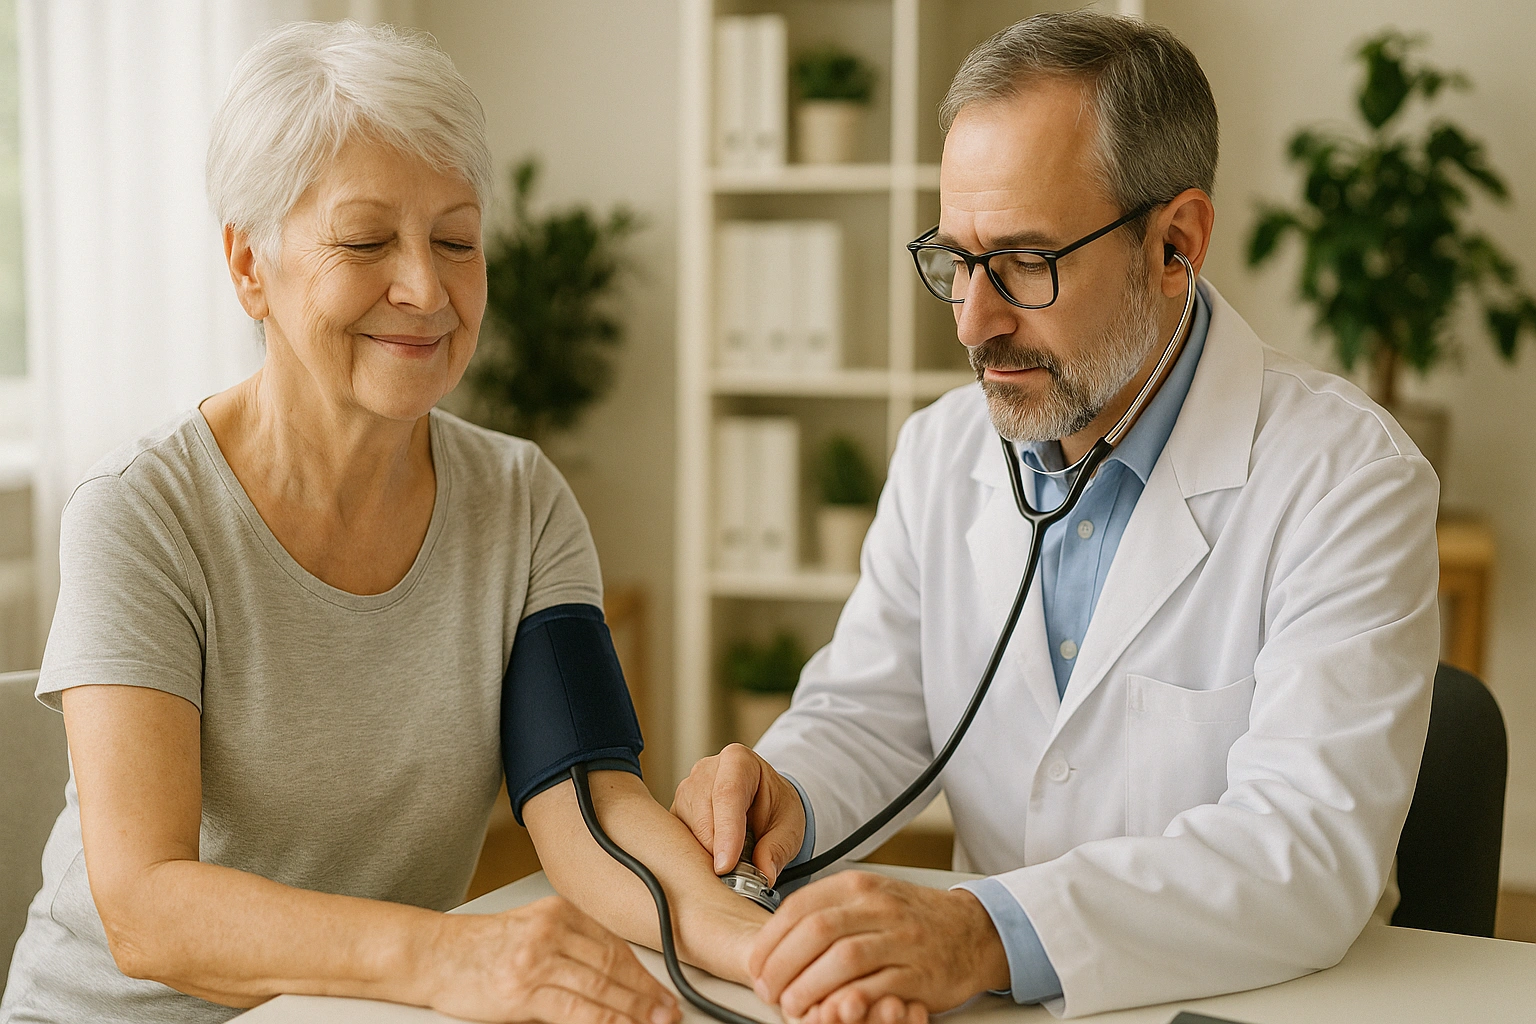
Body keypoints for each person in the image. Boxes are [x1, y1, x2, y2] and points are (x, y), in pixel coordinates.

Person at [671, 10, 1439, 1022]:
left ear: (1177, 244)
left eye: (1027, 263)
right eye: (956, 259)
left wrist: (983, 930)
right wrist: (786, 792)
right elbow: (868, 714)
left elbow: (1302, 850)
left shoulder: (1346, 479)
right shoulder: (944, 452)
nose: (974, 322)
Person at [1, 21, 766, 1024]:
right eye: (366, 242)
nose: (426, 288)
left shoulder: (521, 501)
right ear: (248, 267)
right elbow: (148, 906)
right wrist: (450, 954)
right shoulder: (140, 513)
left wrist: (769, 948)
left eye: (457, 239)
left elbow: (590, 808)